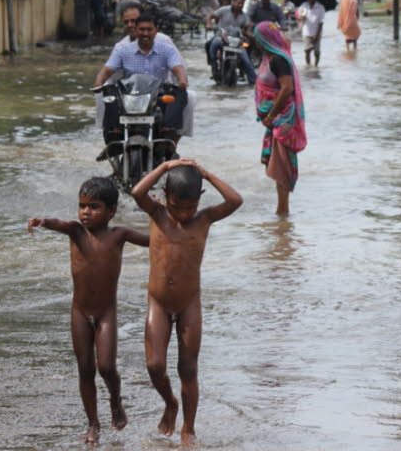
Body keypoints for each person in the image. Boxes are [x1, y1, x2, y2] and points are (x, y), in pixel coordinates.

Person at [28, 177, 150, 444]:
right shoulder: (75, 231)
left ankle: (116, 400)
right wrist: (42, 221)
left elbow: (153, 242)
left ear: (111, 211)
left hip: (106, 313)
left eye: (94, 206)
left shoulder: (120, 235)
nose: (85, 212)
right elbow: (57, 223)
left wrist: (170, 223)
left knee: (106, 367)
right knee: (85, 368)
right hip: (80, 312)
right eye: (82, 205)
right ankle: (93, 424)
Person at [130, 159, 242, 446]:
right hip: (158, 303)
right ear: (166, 197)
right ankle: (170, 403)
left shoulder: (203, 219)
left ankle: (188, 428)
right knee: (155, 365)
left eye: (189, 207)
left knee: (188, 368)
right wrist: (165, 166)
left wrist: (205, 173)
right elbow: (137, 193)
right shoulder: (157, 213)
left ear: (198, 201)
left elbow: (235, 200)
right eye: (177, 206)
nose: (183, 213)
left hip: (189, 304)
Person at [94, 14, 189, 142]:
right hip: (130, 97)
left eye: (149, 29)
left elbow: (178, 68)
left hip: (158, 97)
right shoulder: (123, 50)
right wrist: (98, 82)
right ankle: (114, 131)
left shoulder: (167, 50)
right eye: (142, 29)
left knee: (180, 92)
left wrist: (182, 80)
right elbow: (106, 70)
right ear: (136, 30)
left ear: (156, 30)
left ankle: (168, 130)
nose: (145, 33)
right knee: (109, 90)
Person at [253, 22, 307, 215]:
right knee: (277, 164)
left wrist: (272, 114)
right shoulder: (269, 57)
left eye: (257, 37)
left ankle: (283, 212)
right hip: (275, 119)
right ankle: (281, 211)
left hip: (283, 120)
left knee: (282, 166)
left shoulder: (278, 60)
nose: (255, 41)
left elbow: (287, 88)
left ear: (264, 39)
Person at [206, 0, 256, 84]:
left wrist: (250, 34)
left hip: (237, 41)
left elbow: (247, 27)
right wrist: (208, 24)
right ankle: (214, 65)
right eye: (238, 3)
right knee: (213, 45)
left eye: (242, 3)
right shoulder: (224, 10)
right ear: (234, 2)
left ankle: (253, 82)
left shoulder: (244, 16)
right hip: (221, 36)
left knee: (247, 60)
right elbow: (211, 16)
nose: (240, 5)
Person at [296, 0, 325, 67]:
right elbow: (298, 16)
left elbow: (321, 23)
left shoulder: (320, 7)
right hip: (306, 32)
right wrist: (301, 17)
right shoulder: (303, 6)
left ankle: (316, 66)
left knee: (317, 52)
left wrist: (317, 35)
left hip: (317, 32)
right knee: (307, 51)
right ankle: (308, 65)